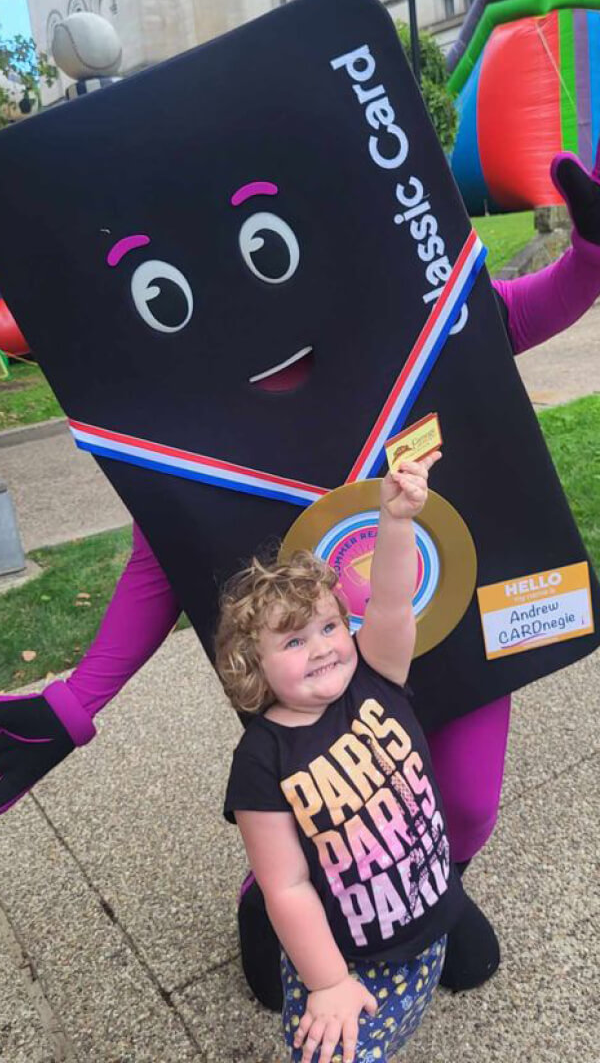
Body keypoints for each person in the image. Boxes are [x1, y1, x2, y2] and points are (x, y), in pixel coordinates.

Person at [1, 148, 600, 999]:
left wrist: (591, 251)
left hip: (444, 617)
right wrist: (74, 701)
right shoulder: (190, 405)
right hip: (315, 667)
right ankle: (278, 902)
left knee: (464, 800)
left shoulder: (409, 316)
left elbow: (531, 309)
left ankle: (427, 888)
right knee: (320, 808)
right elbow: (158, 562)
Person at [220, 451, 452, 1063]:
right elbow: (287, 885)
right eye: (294, 640)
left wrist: (397, 521)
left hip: (430, 923)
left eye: (328, 627)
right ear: (253, 666)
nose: (322, 647)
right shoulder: (261, 760)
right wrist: (326, 982)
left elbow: (392, 605)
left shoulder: (375, 675)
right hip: (348, 966)